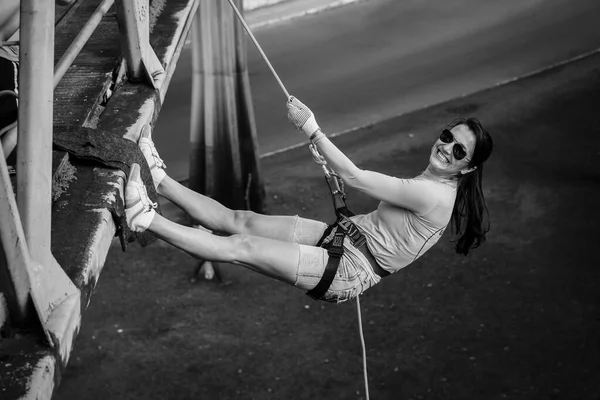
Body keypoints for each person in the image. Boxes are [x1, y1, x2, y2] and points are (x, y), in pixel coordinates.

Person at [124, 97, 493, 303]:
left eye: (459, 150)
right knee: (241, 220)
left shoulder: (432, 194)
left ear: (467, 169)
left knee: (242, 245)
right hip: (342, 238)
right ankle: (160, 180)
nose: (446, 147)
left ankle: (144, 219)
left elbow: (356, 177)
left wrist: (311, 128)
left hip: (346, 269)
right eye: (447, 136)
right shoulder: (435, 184)